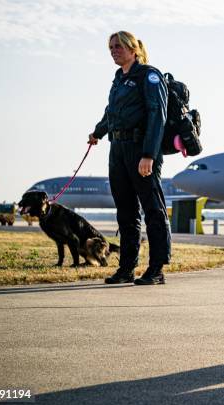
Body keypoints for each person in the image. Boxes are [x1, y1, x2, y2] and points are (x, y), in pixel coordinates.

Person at [89, 31, 171, 285]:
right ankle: (126, 268)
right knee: (125, 212)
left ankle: (156, 269)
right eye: (111, 47)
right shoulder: (118, 79)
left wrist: (149, 155)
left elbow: (157, 115)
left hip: (141, 149)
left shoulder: (148, 75)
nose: (114, 51)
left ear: (133, 50)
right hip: (118, 149)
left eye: (119, 47)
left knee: (153, 210)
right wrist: (98, 132)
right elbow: (112, 113)